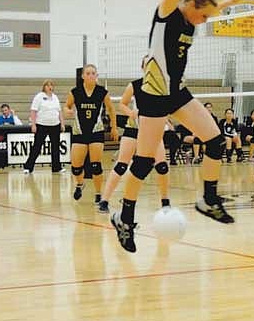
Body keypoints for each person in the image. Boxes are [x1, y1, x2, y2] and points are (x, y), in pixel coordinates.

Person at [110, 0, 249, 253]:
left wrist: (228, 2)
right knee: (144, 162)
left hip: (177, 93)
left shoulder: (191, 19)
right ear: (190, 4)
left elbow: (207, 9)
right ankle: (124, 216)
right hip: (154, 96)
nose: (203, 22)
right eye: (202, 15)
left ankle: (208, 199)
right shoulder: (167, 13)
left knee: (215, 141)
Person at [99, 77, 170, 214]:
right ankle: (104, 200)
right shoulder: (135, 85)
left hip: (152, 129)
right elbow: (122, 104)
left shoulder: (162, 84)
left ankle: (165, 202)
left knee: (162, 166)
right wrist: (131, 113)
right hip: (133, 128)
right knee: (121, 165)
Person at [65, 64, 118, 203]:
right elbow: (66, 106)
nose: (90, 75)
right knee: (76, 167)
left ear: (97, 76)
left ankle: (99, 193)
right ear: (83, 76)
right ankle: (80, 184)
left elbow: (112, 109)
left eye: (93, 73)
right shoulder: (75, 92)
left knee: (96, 165)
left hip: (96, 131)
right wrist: (67, 111)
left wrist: (114, 127)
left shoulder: (102, 92)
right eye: (87, 73)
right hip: (79, 132)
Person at [24, 80, 65, 174]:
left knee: (55, 147)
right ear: (44, 87)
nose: (50, 87)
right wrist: (33, 124)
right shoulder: (39, 97)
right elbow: (33, 111)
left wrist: (62, 124)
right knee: (37, 147)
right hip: (42, 125)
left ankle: (56, 167)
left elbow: (59, 112)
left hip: (55, 125)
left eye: (51, 85)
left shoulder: (55, 97)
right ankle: (28, 167)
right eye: (48, 85)